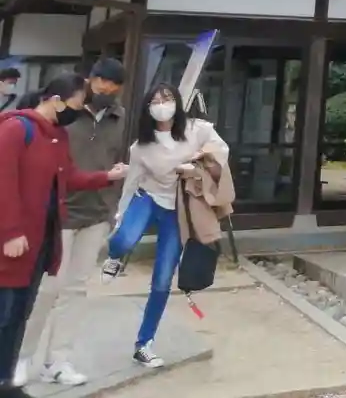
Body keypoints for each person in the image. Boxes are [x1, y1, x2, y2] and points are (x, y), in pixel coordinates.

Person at [0, 75, 128, 398]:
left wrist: (106, 177)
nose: (79, 109)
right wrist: (11, 232)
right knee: (6, 312)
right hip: (14, 241)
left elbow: (68, 176)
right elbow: (3, 184)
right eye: (76, 102)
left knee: (19, 313)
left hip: (42, 241)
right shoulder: (16, 129)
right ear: (56, 100)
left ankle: (5, 380)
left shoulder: (56, 136)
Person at [104, 85, 228, 369]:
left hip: (177, 209)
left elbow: (222, 152)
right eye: (156, 100)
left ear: (177, 102)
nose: (162, 105)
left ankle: (143, 344)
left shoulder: (197, 129)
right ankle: (114, 257)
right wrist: (120, 215)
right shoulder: (141, 147)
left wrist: (196, 164)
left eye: (167, 98)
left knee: (162, 279)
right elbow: (131, 182)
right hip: (147, 198)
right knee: (123, 240)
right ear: (148, 108)